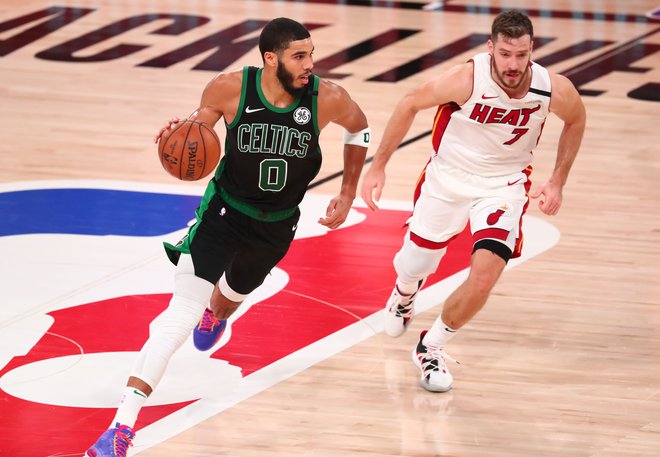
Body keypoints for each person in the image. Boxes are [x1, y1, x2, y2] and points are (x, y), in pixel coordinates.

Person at [85, 17, 369, 457]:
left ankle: (219, 312)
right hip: (222, 214)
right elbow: (198, 135)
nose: (309, 63)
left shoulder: (327, 98)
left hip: (276, 224)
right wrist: (176, 137)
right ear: (270, 59)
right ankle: (120, 427)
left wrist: (349, 188)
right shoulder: (228, 89)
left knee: (232, 294)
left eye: (311, 53)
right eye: (299, 56)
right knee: (178, 318)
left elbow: (360, 127)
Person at [360, 11, 585, 393]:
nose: (513, 64)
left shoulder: (551, 87)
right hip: (447, 178)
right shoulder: (465, 79)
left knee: (485, 274)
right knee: (416, 262)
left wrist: (557, 180)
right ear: (490, 49)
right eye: (505, 54)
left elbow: (576, 119)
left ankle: (431, 347)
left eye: (521, 55)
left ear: (532, 50)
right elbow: (409, 103)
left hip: (505, 185)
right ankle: (404, 293)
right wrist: (378, 166)